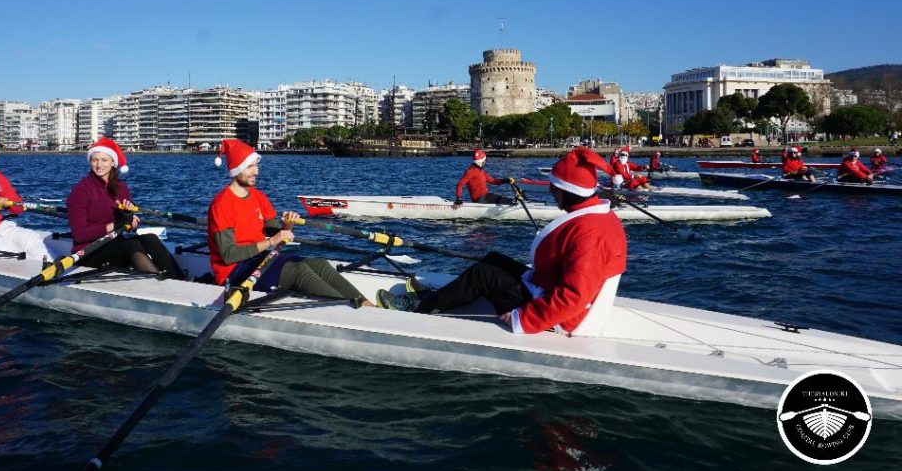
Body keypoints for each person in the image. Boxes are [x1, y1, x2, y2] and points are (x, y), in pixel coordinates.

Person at [378, 147, 628, 338]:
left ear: (565, 190)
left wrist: (524, 319)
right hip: (549, 290)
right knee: (494, 259)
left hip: (563, 320)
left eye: (554, 188)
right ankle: (440, 298)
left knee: (484, 274)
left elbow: (574, 295)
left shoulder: (588, 233)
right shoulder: (600, 217)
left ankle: (419, 308)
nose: (552, 194)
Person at [208, 139, 375, 306]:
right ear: (236, 169)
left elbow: (275, 233)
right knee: (298, 271)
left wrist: (288, 225)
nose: (256, 172)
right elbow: (229, 255)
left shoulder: (259, 197)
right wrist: (271, 241)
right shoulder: (222, 204)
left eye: (256, 166)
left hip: (259, 259)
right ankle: (348, 310)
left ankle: (367, 306)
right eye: (250, 166)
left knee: (319, 264)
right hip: (234, 271)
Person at [66, 137, 182, 279]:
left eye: (104, 160)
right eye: (95, 160)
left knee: (150, 239)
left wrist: (130, 218)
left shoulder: (121, 188)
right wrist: (114, 225)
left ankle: (177, 280)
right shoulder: (80, 191)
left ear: (113, 163)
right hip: (88, 252)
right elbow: (79, 234)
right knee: (130, 244)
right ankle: (156, 284)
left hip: (113, 243)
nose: (98, 165)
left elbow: (130, 224)